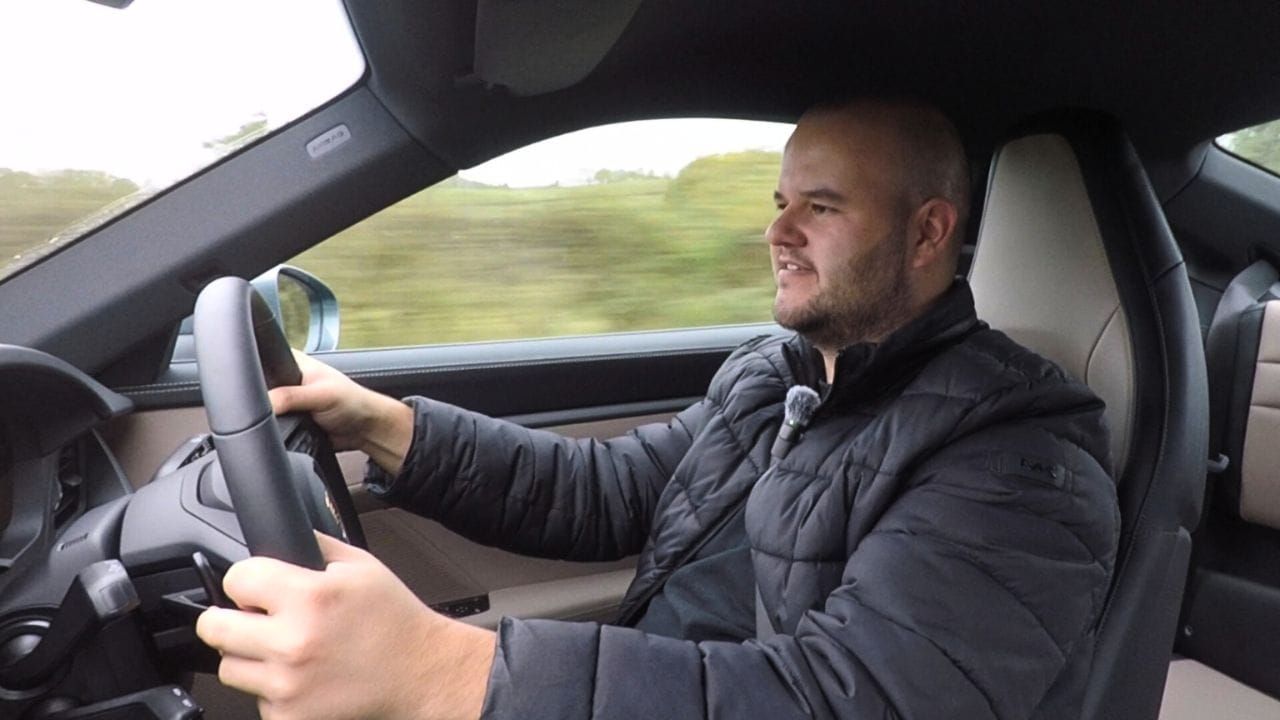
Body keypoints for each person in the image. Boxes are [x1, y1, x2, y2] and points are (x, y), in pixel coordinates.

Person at [196, 97, 1119, 720]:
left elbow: (844, 699)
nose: (777, 232)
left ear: (927, 232)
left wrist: (446, 673)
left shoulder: (1023, 459)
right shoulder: (777, 374)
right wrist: (380, 422)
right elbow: (609, 488)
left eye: (823, 207)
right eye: (780, 201)